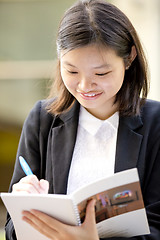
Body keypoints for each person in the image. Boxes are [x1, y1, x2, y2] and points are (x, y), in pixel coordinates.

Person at [5, 0, 160, 239]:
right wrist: (24, 206)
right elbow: (12, 230)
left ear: (129, 58)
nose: (86, 86)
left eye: (101, 73)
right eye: (72, 71)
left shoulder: (156, 123)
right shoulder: (42, 120)